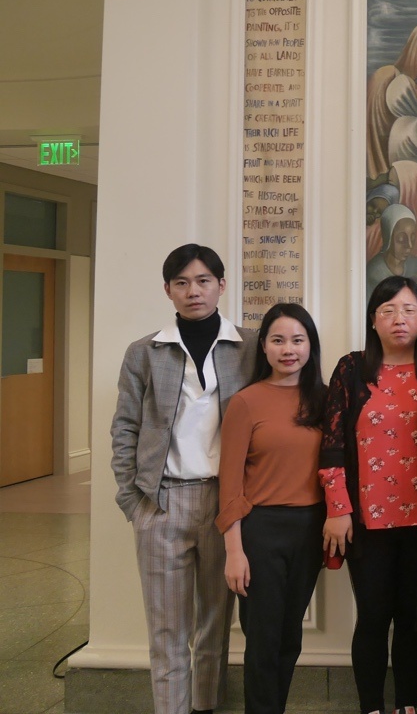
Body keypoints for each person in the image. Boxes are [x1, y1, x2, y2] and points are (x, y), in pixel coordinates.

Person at [108, 243, 255, 714]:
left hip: (225, 503)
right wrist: (134, 503)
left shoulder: (250, 346)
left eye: (203, 280)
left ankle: (206, 705)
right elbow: (124, 427)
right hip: (162, 502)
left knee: (215, 622)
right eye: (182, 283)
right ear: (168, 290)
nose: (194, 291)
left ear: (221, 285)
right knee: (167, 628)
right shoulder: (144, 352)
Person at [320, 276, 417, 714]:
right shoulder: (352, 369)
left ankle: (407, 706)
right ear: (373, 320)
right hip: (366, 521)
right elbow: (331, 444)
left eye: (408, 310)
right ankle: (371, 706)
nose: (398, 319)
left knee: (412, 619)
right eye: (388, 310)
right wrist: (338, 509)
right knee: (372, 617)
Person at [217, 303, 326, 714]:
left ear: (311, 346)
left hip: (310, 529)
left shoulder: (325, 399)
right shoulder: (246, 402)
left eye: (298, 340)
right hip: (260, 531)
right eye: (278, 340)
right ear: (263, 346)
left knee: (289, 638)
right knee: (263, 640)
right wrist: (234, 551)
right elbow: (230, 483)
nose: (288, 349)